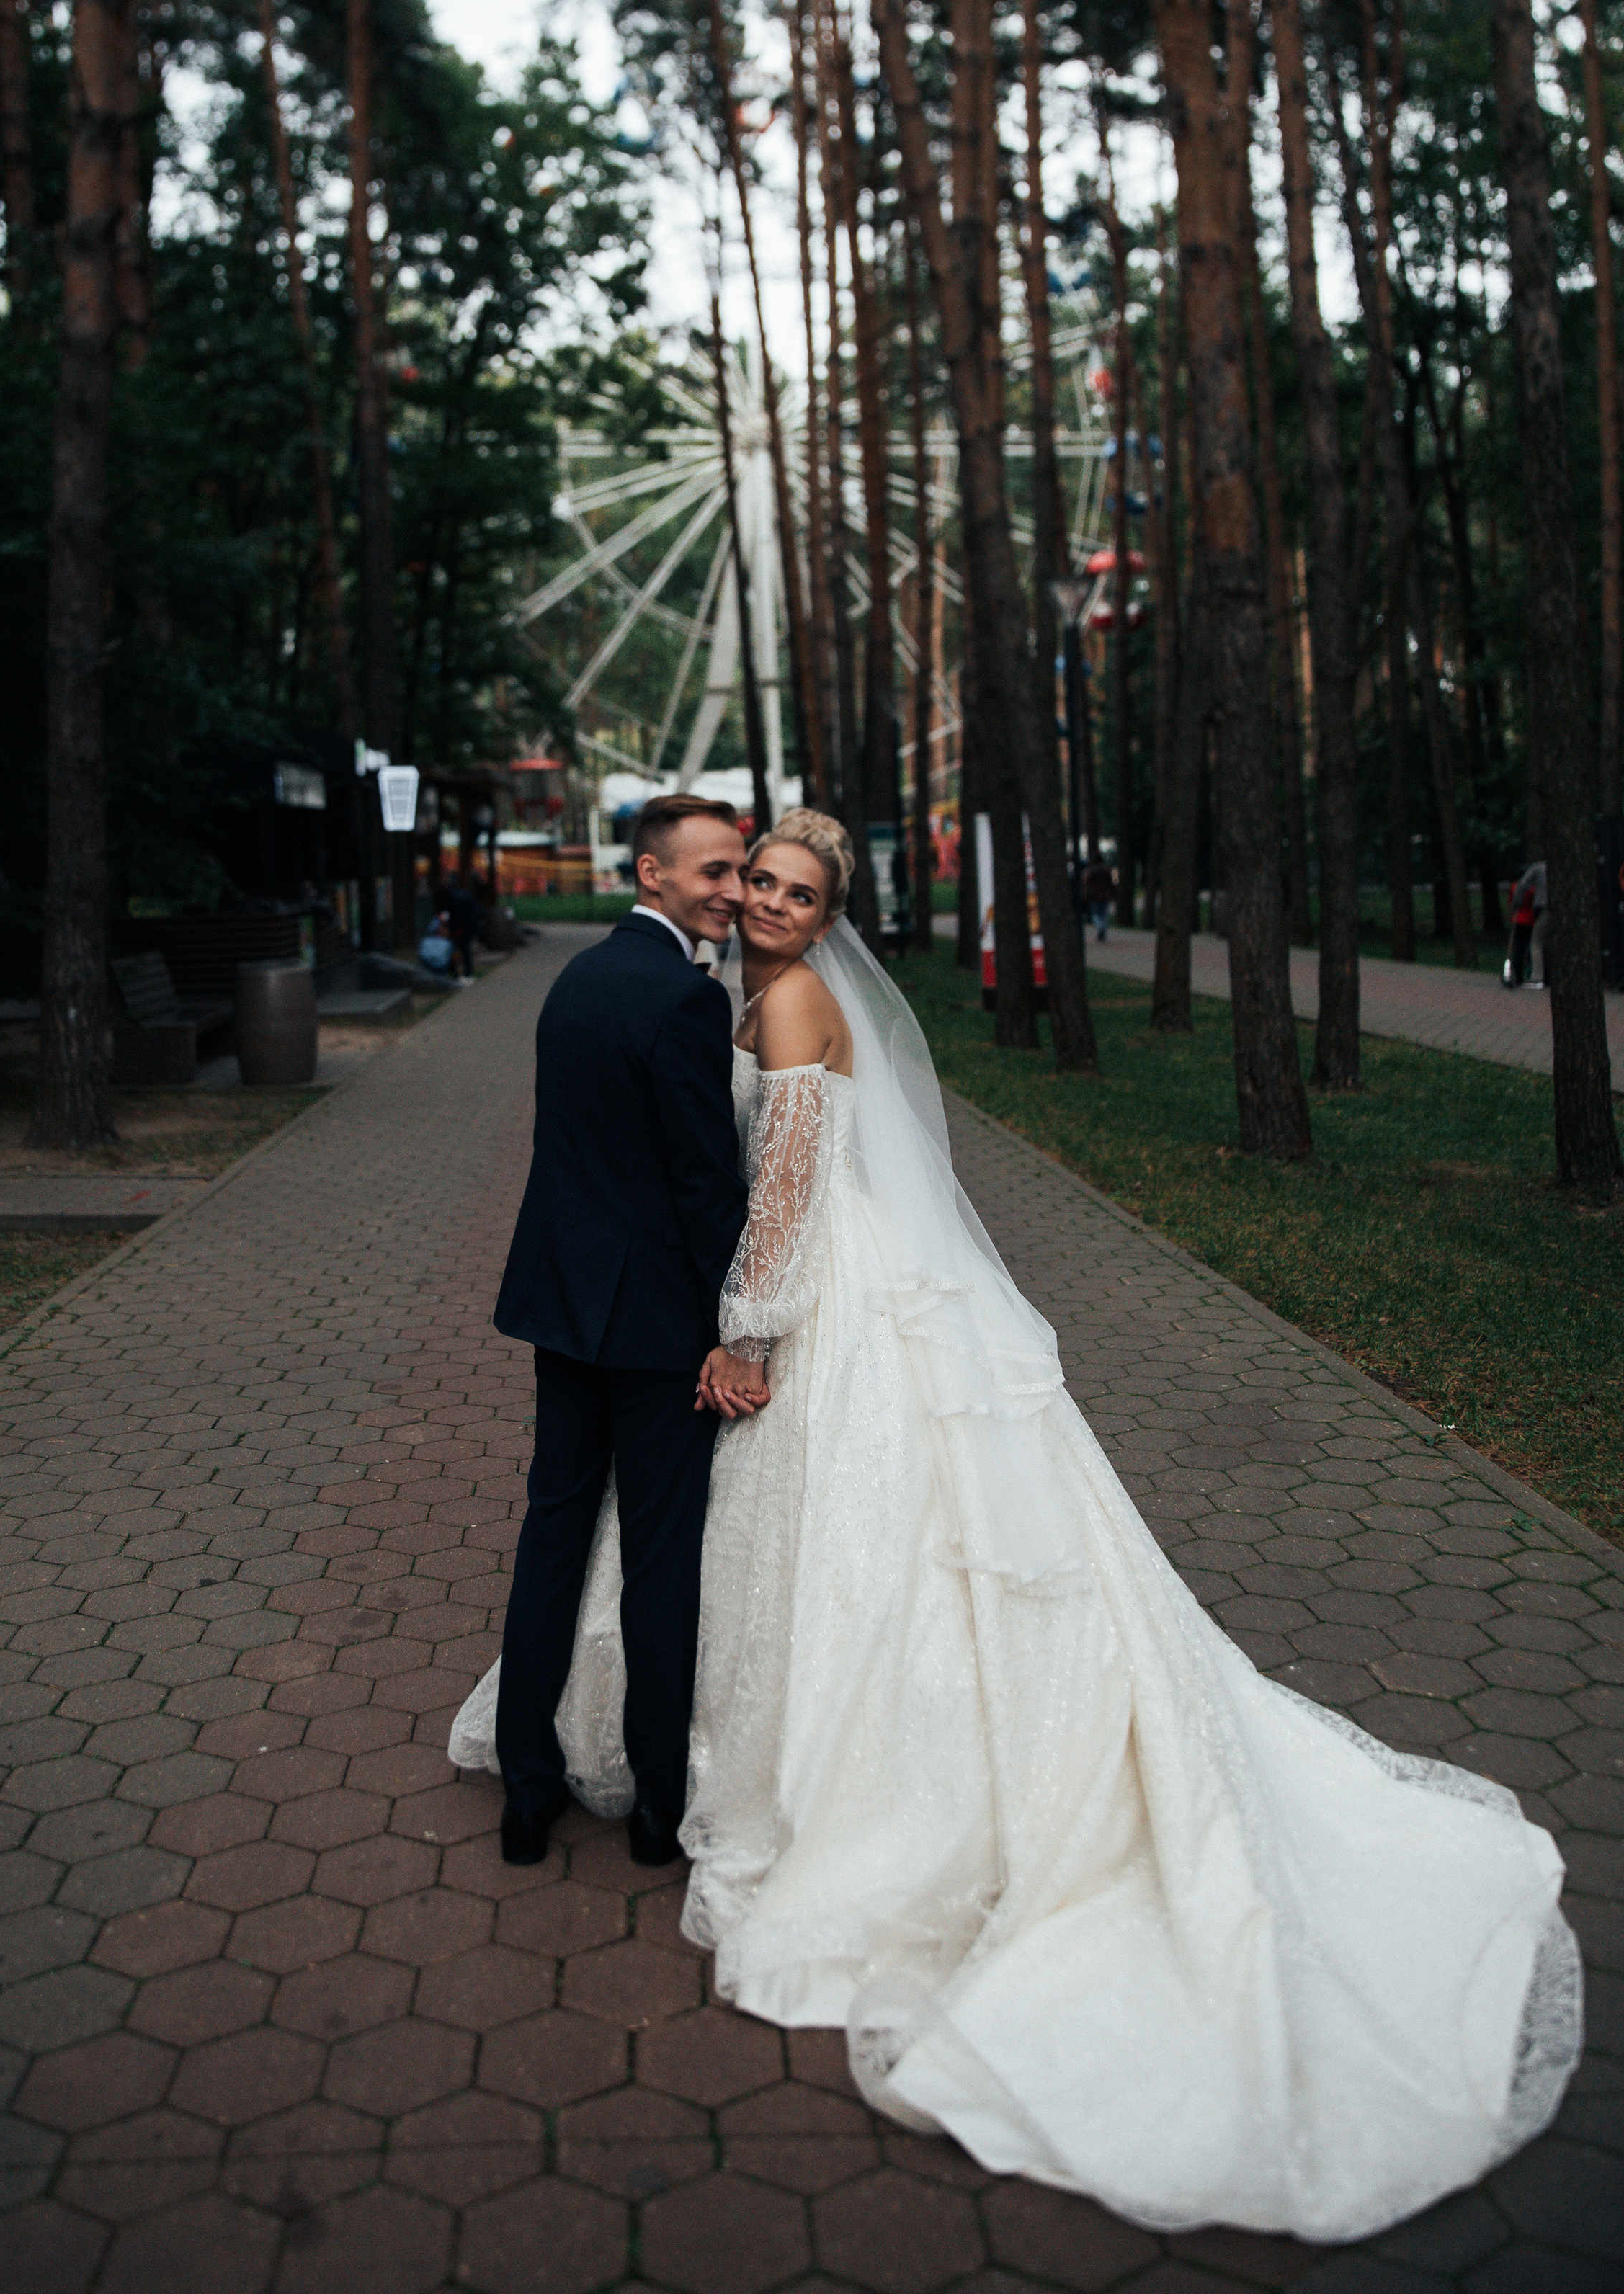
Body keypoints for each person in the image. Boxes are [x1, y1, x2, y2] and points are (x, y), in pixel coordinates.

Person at [454, 805, 1580, 2241]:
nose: (766, 904)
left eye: (790, 890)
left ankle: (687, 1779)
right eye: (751, 883)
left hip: (801, 1310)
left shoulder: (763, 1001)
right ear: (696, 887)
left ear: (822, 912)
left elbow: (783, 1195)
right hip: (748, 1298)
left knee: (771, 1541)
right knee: (736, 1545)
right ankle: (673, 1773)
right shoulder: (718, 993)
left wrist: (749, 1332)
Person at [481, 793, 754, 1871]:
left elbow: (581, 1158)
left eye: (739, 871)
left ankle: (526, 1790)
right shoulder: (682, 999)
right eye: (715, 872)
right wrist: (737, 1325)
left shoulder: (576, 981)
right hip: (654, 1329)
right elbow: (702, 1186)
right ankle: (654, 1805)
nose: (732, 890)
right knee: (659, 1560)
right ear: (653, 876)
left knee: (551, 1537)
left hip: (564, 1309)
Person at [1506, 860, 1546, 989]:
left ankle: (1519, 975)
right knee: (1531, 946)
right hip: (1531, 920)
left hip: (1520, 920)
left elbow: (1512, 902)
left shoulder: (1516, 886)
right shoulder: (1534, 890)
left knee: (1521, 948)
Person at [1083, 852, 1115, 942]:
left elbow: (1086, 883)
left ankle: (1100, 927)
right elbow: (1112, 884)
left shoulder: (1091, 871)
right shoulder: (1107, 870)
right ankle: (1103, 930)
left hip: (1094, 895)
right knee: (1104, 914)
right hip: (1105, 895)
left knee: (1094, 914)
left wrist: (1085, 894)